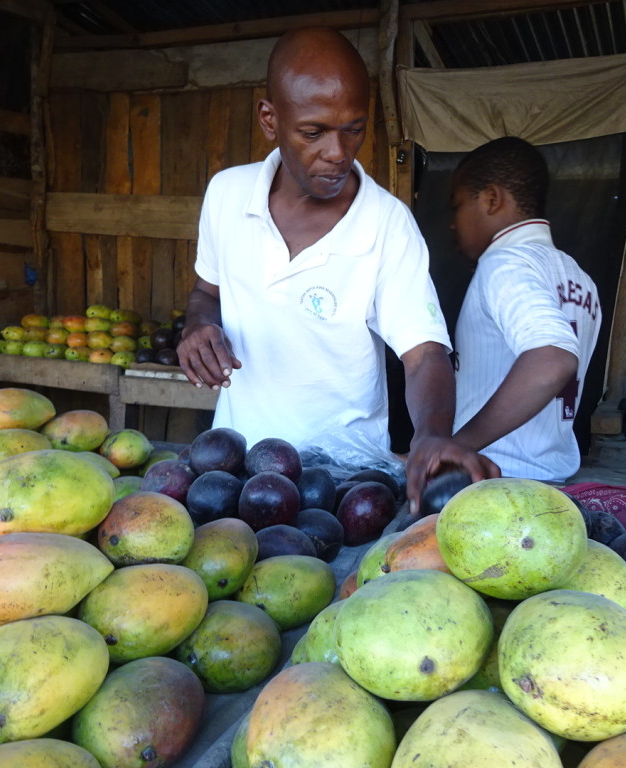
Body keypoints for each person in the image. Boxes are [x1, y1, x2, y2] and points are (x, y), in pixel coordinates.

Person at [176, 26, 497, 513]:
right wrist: (198, 325)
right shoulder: (226, 195)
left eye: (354, 129)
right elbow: (206, 292)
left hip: (341, 482)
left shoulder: (386, 224)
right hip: (236, 466)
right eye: (314, 132)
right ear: (269, 119)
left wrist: (433, 436)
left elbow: (425, 353)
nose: (338, 152)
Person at [448, 136, 602, 482]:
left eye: (456, 205)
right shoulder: (580, 280)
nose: (452, 223)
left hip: (494, 481)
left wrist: (457, 446)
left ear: (491, 199)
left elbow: (552, 359)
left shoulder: (504, 265)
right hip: (551, 480)